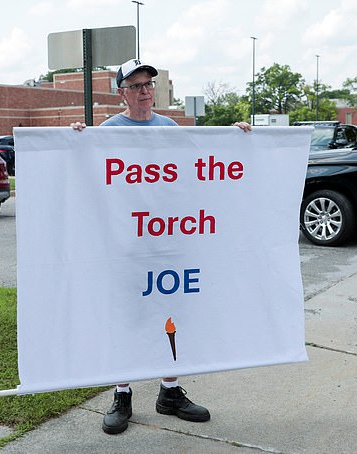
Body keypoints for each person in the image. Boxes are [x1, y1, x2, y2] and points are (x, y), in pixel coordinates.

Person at [72, 58, 251, 435]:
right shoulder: (110, 131)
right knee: (128, 316)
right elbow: (91, 174)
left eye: (148, 84)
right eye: (135, 85)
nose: (144, 91)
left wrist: (236, 138)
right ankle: (122, 394)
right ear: (122, 92)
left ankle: (169, 392)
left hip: (169, 238)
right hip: (128, 242)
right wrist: (75, 138)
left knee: (172, 313)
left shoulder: (168, 127)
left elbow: (199, 165)